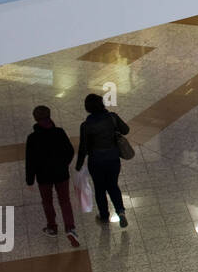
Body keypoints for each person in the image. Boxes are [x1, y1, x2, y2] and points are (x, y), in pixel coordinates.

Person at [25, 105, 78, 246]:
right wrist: (63, 164)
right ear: (50, 116)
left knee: (47, 202)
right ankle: (70, 228)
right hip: (61, 173)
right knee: (65, 201)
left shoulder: (32, 138)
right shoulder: (59, 132)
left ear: (36, 119)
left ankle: (52, 227)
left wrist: (30, 179)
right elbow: (70, 151)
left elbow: (30, 161)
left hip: (44, 176)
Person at [75, 93, 130, 227]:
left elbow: (83, 148)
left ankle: (104, 215)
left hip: (96, 161)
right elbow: (126, 130)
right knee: (113, 185)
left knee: (100, 188)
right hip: (113, 158)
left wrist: (79, 165)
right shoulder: (112, 117)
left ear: (87, 108)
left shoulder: (85, 125)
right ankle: (121, 211)